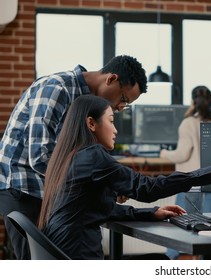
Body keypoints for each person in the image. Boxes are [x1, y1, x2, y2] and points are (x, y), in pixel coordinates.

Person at [37, 95, 211, 260]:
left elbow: (99, 209)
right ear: (91, 123)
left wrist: (152, 213)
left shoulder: (67, 156)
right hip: (79, 257)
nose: (116, 129)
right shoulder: (92, 156)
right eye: (111, 121)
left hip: (63, 253)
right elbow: (146, 188)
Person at [0, 55, 148, 259]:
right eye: (123, 99)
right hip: (23, 188)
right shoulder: (57, 88)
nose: (120, 107)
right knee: (38, 264)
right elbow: (40, 156)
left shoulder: (91, 108)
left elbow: (82, 160)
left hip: (50, 192)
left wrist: (107, 184)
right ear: (111, 79)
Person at [159, 85, 211, 259]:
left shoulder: (188, 123)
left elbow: (183, 154)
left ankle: (169, 262)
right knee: (210, 230)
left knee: (177, 226)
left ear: (193, 101)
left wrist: (163, 153)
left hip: (190, 183)